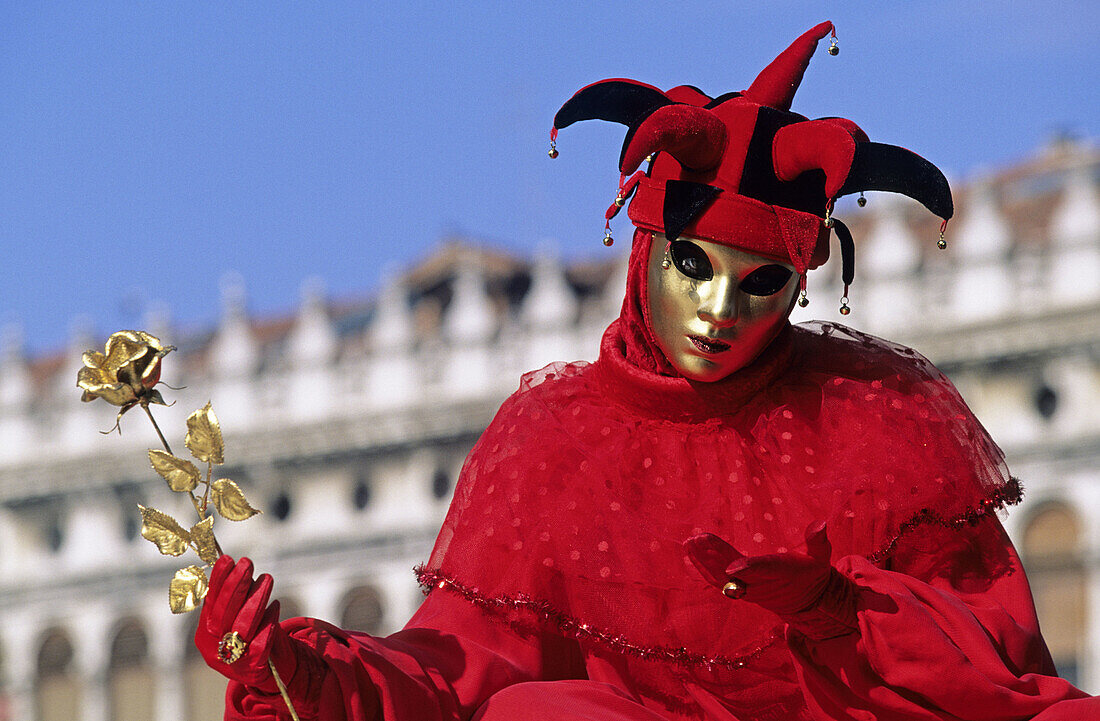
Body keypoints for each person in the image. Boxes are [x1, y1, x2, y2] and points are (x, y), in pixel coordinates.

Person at [194, 22, 1096, 720]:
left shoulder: (877, 423)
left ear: (800, 283)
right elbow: (461, 669)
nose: (721, 313)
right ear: (646, 253)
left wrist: (836, 610)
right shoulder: (552, 442)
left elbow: (994, 668)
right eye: (694, 267)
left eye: (763, 282)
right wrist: (305, 670)